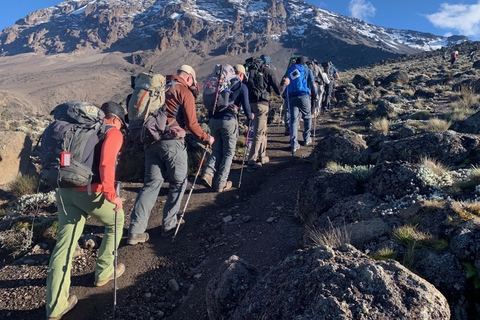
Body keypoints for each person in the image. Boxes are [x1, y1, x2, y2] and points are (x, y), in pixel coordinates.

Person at [46, 101, 127, 320]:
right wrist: (112, 196)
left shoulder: (77, 127)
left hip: (64, 190)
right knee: (117, 220)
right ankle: (104, 272)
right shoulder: (112, 132)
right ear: (117, 120)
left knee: (64, 246)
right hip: (91, 193)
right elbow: (106, 165)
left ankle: (55, 306)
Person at [127, 65, 214, 244]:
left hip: (150, 141)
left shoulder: (159, 87)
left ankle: (135, 230)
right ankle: (169, 225)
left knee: (150, 185)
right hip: (173, 143)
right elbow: (191, 124)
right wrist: (206, 137)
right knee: (178, 182)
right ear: (189, 78)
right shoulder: (183, 91)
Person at [201, 65, 254, 191]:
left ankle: (208, 173)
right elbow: (246, 107)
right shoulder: (241, 86)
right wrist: (250, 116)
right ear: (241, 74)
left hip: (214, 120)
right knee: (229, 152)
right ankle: (221, 183)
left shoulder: (220, 83)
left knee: (216, 150)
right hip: (229, 121)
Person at [247, 55, 289, 172]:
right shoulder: (269, 71)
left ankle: (262, 156)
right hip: (262, 105)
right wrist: (286, 83)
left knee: (262, 130)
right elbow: (279, 91)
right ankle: (252, 161)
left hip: (250, 104)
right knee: (259, 133)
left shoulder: (251, 72)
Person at [286, 56, 316, 152]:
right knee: (307, 117)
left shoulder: (290, 70)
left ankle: (294, 144)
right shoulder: (306, 70)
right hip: (304, 96)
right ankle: (306, 139)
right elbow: (312, 84)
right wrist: (315, 96)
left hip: (292, 97)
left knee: (294, 120)